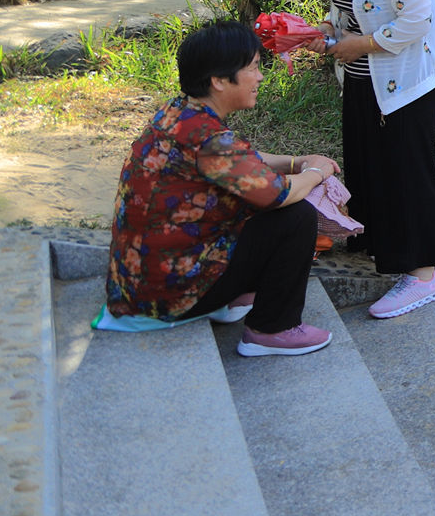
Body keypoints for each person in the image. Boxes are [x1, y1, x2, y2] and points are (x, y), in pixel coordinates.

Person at [104, 21, 339, 356]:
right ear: (218, 80)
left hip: (141, 283)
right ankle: (272, 328)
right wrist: (317, 170)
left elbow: (243, 161)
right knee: (296, 215)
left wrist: (296, 161)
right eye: (253, 68)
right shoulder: (207, 138)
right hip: (167, 294)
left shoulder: (179, 111)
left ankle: (232, 295)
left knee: (255, 206)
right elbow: (278, 193)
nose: (259, 77)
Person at [303, 0, 435, 319]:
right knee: (371, 166)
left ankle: (424, 275)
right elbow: (341, 4)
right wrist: (324, 30)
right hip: (364, 80)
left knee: (407, 174)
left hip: (404, 84)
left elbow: (415, 21)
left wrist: (358, 44)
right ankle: (386, 244)